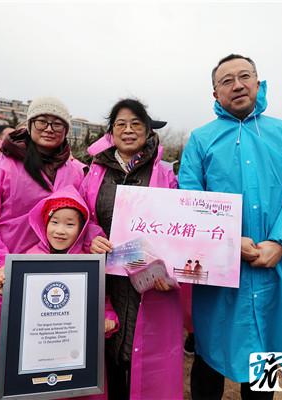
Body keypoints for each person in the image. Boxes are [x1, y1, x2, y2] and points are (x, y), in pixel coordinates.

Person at [178, 54, 282, 399]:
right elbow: (190, 194)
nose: (237, 85)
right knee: (210, 351)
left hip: (275, 265)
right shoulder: (200, 139)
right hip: (220, 268)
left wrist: (280, 241)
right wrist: (226, 240)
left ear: (259, 84)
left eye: (245, 76)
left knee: (265, 355)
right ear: (215, 93)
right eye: (226, 80)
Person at [0, 97, 85, 399]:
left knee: (46, 350)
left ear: (66, 130)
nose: (49, 129)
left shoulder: (75, 170)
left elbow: (85, 213)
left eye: (58, 124)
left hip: (55, 273)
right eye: (42, 121)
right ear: (29, 125)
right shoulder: (3, 164)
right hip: (6, 270)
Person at [81, 98, 183, 400]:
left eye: (136, 123)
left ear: (148, 130)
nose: (128, 130)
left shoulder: (165, 173)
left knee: (144, 359)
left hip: (150, 280)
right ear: (110, 132)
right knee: (107, 349)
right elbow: (80, 213)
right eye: (120, 124)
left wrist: (171, 272)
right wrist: (92, 237)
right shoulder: (93, 171)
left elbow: (180, 226)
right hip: (106, 275)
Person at [0, 188, 119, 400]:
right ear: (44, 224)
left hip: (78, 364)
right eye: (54, 222)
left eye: (70, 224)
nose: (60, 230)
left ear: (81, 228)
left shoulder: (89, 264)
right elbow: (11, 313)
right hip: (37, 362)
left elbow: (101, 301)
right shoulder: (28, 260)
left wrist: (109, 320)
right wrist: (1, 289)